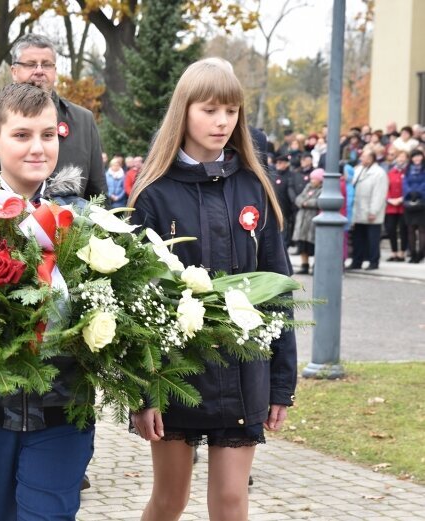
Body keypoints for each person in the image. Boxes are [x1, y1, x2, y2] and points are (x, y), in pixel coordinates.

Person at [128, 58, 296, 521]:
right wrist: (145, 393)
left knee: (230, 501)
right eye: (210, 110)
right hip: (177, 374)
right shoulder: (154, 193)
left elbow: (278, 288)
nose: (222, 122)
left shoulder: (254, 186)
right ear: (184, 111)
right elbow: (136, 301)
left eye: (232, 110)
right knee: (169, 499)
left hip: (243, 371)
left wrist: (282, 385)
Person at [0, 82, 94, 521]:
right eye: (22, 135)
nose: (37, 147)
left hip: (63, 406)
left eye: (48, 135)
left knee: (49, 514)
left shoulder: (83, 219)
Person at [0, 33, 106, 200]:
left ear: (55, 71)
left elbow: (98, 194)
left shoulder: (83, 120)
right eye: (31, 64)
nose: (39, 71)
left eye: (47, 65)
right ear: (14, 71)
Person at [348, 149, 389, 270]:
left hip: (371, 211)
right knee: (358, 238)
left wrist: (373, 211)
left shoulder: (379, 173)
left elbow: (379, 194)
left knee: (373, 239)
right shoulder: (358, 169)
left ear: (371, 159)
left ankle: (373, 261)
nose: (361, 159)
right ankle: (357, 261)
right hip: (359, 210)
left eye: (364, 157)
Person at [292, 168, 324, 274]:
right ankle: (304, 266)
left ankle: (316, 266)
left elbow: (320, 202)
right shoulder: (308, 187)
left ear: (320, 180)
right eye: (311, 179)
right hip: (302, 221)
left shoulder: (323, 189)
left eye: (314, 179)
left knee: (313, 245)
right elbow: (298, 199)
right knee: (302, 245)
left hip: (312, 221)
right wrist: (303, 202)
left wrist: (306, 203)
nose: (312, 181)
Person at [384, 151, 409, 262]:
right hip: (391, 205)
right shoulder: (390, 172)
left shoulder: (408, 172)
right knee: (391, 229)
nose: (401, 159)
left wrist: (402, 198)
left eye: (403, 157)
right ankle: (394, 252)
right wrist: (389, 199)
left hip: (404, 205)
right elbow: (385, 187)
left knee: (404, 229)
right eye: (399, 157)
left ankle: (402, 253)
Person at [403, 149, 425, 263]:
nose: (417, 159)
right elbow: (405, 182)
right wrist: (410, 193)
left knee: (422, 229)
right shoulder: (407, 170)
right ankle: (412, 253)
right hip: (409, 200)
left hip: (422, 201)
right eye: (414, 157)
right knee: (410, 229)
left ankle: (421, 253)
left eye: (419, 156)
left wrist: (419, 193)